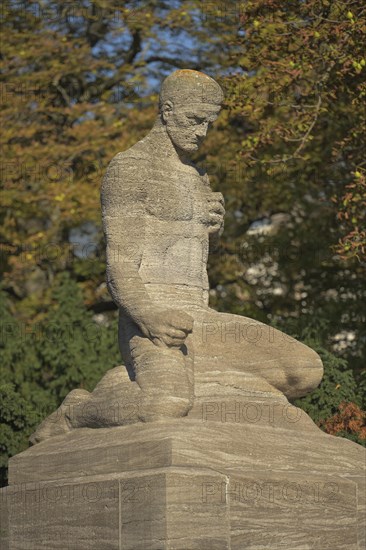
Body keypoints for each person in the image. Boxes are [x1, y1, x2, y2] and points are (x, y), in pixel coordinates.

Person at [30, 70, 323, 441]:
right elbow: (119, 264)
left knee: (305, 369)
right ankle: (76, 412)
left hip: (203, 319)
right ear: (167, 111)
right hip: (150, 318)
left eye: (208, 123)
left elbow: (192, 258)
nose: (201, 132)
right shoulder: (130, 168)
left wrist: (213, 231)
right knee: (165, 405)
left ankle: (134, 380)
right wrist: (149, 315)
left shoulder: (196, 175)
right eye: (193, 120)